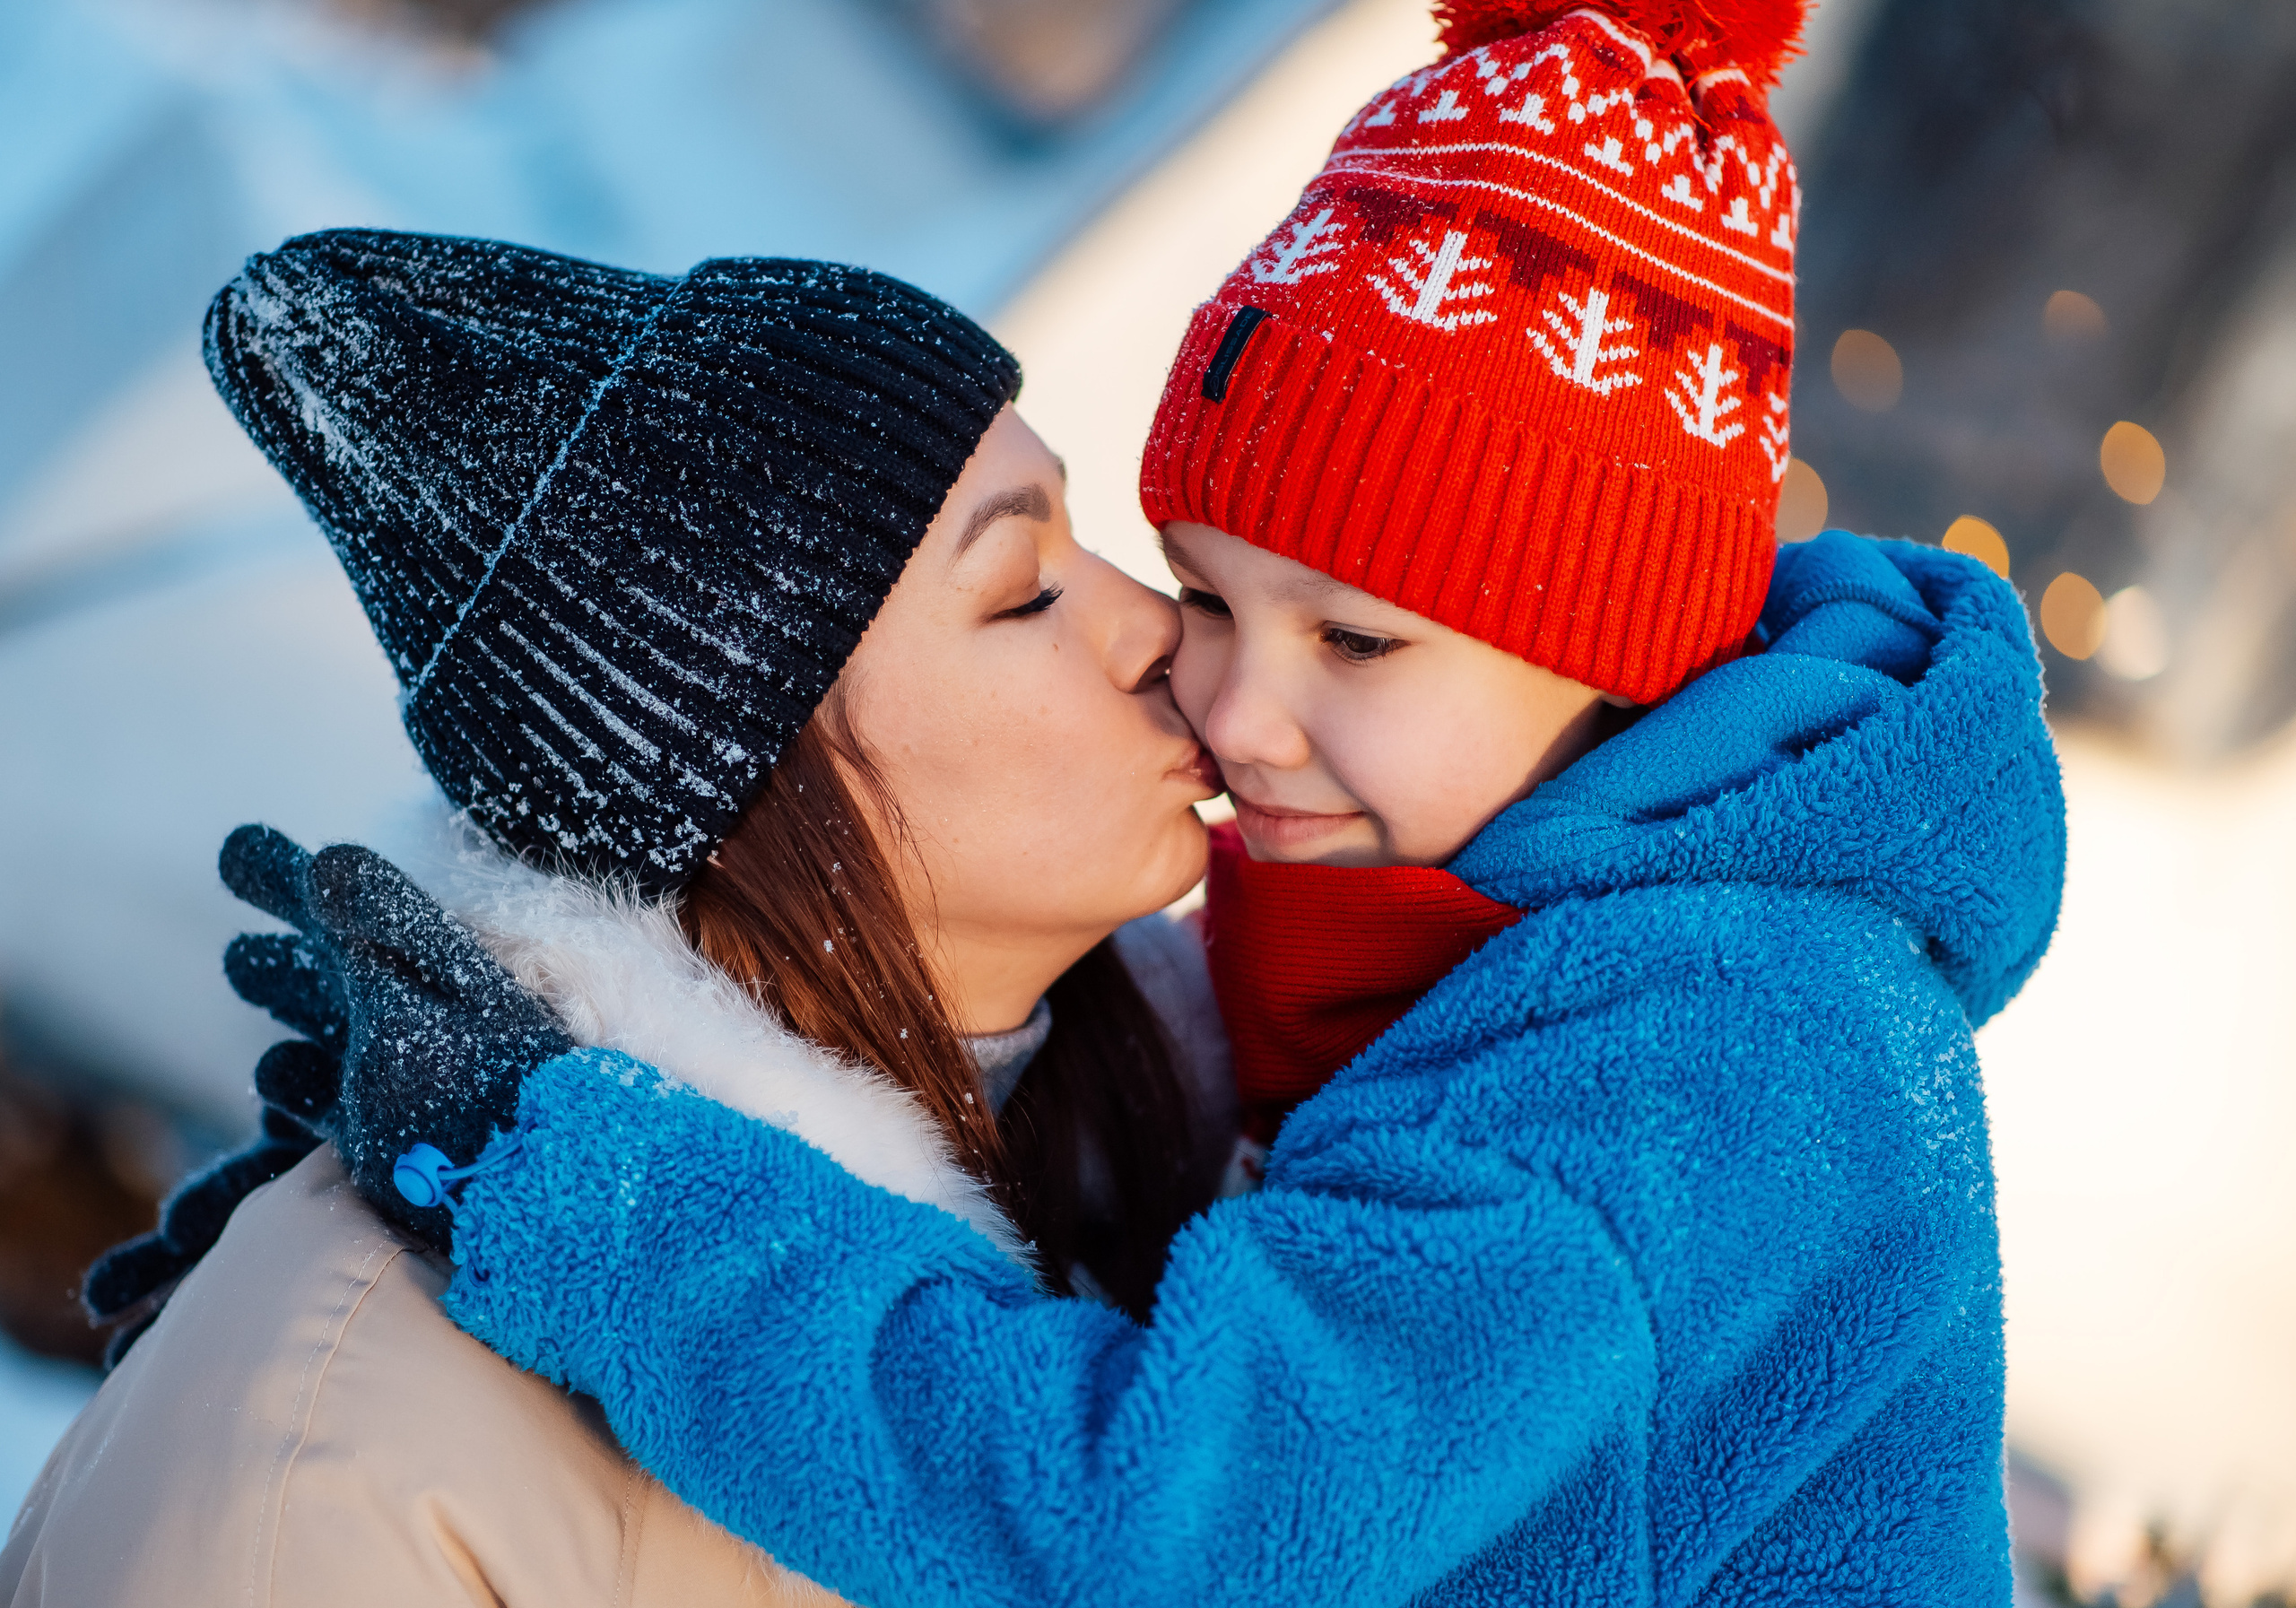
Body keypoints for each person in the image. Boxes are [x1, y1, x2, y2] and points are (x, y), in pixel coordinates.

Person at [291, 3, 2068, 1604]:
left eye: (1354, 644)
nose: (1229, 705)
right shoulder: (1557, 948)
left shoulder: (1685, 1062)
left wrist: (562, 1182)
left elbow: (1154, 1529)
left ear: (1621, 659)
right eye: (1207, 596)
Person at [2, 230, 1240, 1606]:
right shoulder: (323, 1467)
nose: (1161, 626)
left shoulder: (1208, 1163)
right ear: (746, 783)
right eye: (1023, 592)